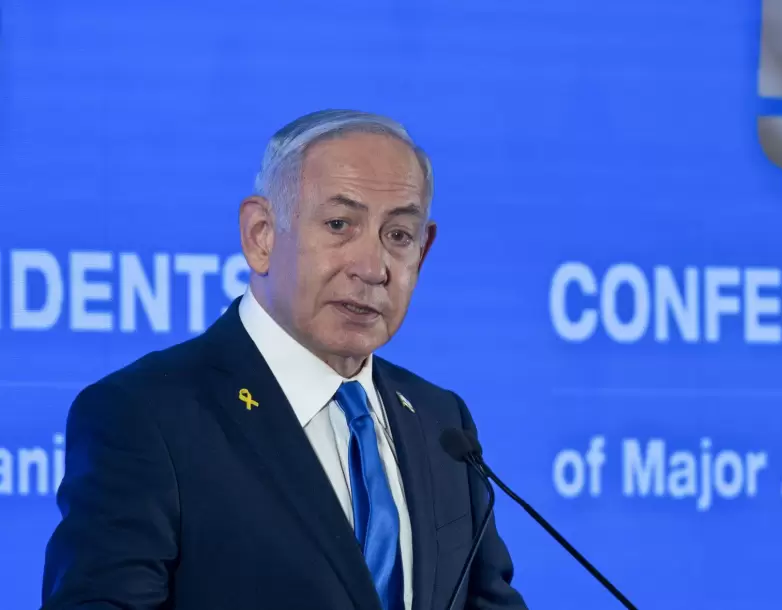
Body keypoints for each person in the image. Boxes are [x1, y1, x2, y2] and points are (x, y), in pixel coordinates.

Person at [41, 109, 527, 610]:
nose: (372, 267)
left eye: (399, 236)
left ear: (421, 253)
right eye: (339, 224)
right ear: (261, 235)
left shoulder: (441, 423)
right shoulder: (146, 417)